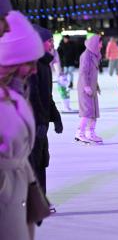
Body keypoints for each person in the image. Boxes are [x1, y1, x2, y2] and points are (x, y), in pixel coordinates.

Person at [0, 10, 45, 240]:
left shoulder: (15, 95)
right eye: (30, 63)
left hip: (18, 195)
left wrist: (32, 189)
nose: (35, 70)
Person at [28, 25, 63, 200]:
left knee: (41, 160)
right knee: (32, 162)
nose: (52, 44)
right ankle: (32, 201)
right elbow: (32, 97)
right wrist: (39, 122)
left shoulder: (45, 65)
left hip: (41, 124)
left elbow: (46, 96)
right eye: (49, 41)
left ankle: (41, 199)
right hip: (31, 125)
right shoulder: (33, 66)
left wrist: (56, 117)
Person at [75, 35, 104, 144]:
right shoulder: (86, 55)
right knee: (87, 112)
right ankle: (80, 133)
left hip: (91, 88)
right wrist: (86, 86)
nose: (101, 45)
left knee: (94, 112)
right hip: (85, 88)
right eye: (100, 43)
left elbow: (93, 74)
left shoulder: (95, 55)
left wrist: (96, 86)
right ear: (95, 43)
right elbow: (83, 72)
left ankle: (90, 133)